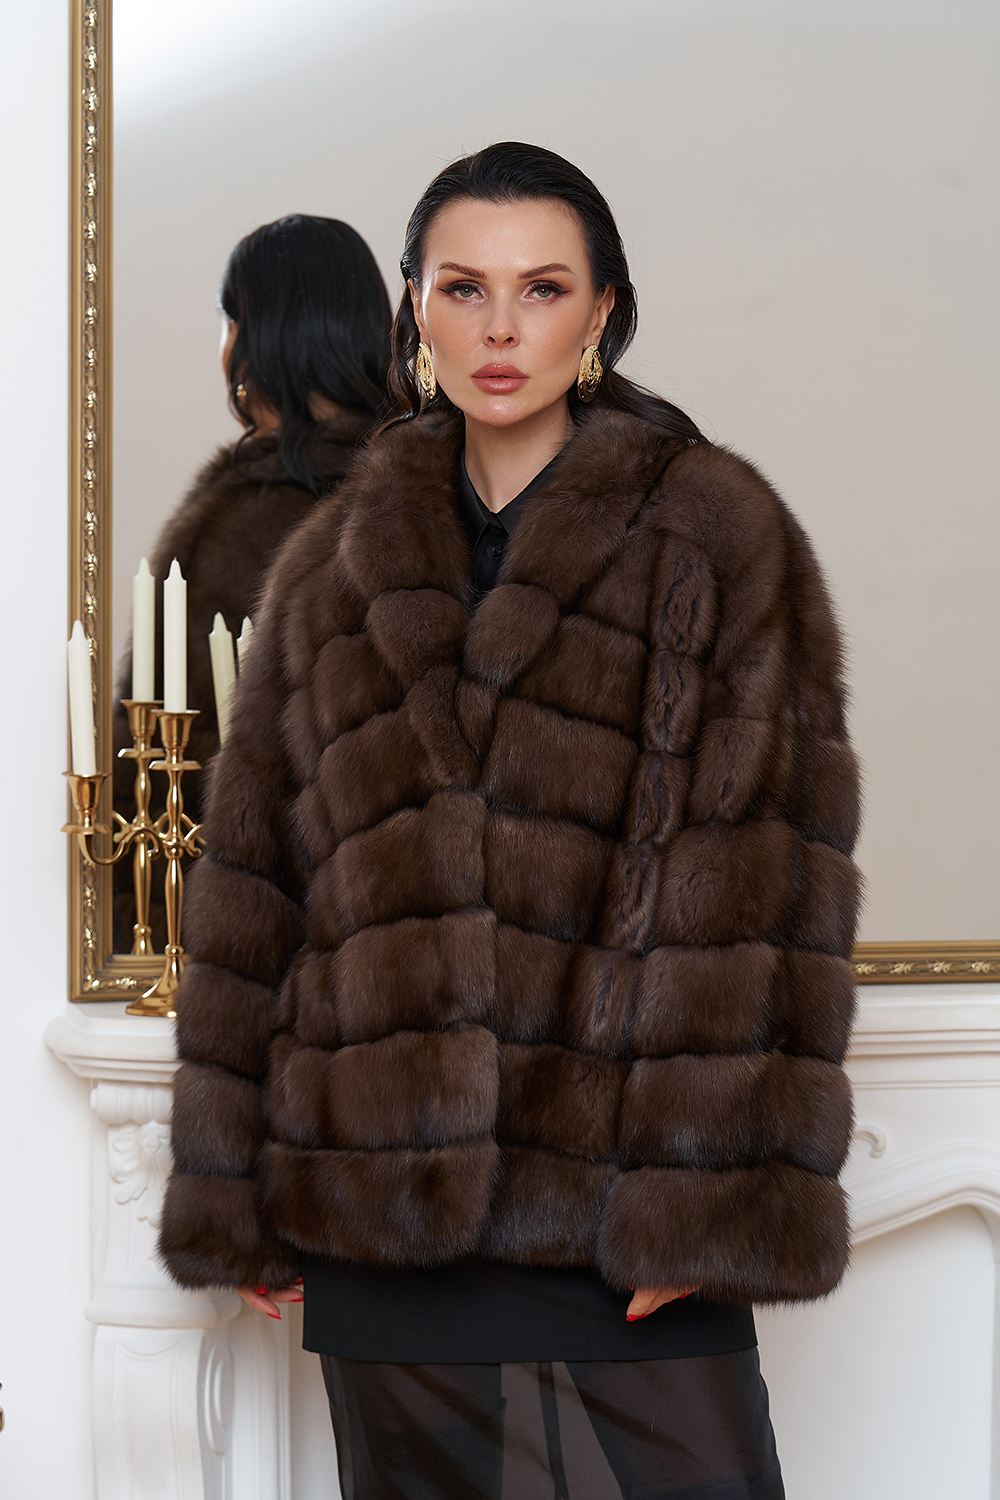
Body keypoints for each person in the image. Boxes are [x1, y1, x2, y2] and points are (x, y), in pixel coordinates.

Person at [158, 143, 863, 1499]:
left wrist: (705, 1193)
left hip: (621, 1199)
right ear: (413, 311)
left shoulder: (712, 533)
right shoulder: (330, 566)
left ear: (602, 313)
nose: (498, 329)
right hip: (382, 1190)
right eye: (462, 288)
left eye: (540, 289)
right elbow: (258, 886)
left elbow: (767, 872)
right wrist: (233, 1190)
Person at [111, 214, 391, 952]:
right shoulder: (427, 497)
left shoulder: (237, 522)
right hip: (384, 928)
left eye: (227, 318)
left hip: (234, 927)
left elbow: (155, 764)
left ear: (251, 336)